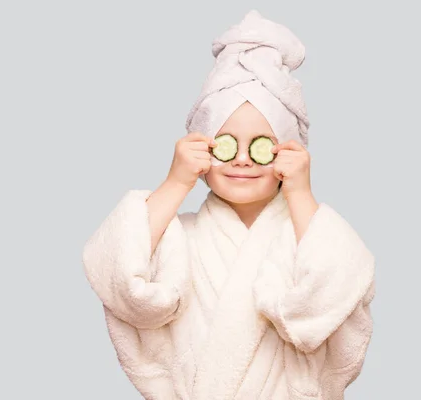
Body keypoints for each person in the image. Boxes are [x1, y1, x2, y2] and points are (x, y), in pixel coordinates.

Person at [82, 10, 375, 400]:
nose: (242, 159)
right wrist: (175, 182)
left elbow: (338, 288)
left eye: (260, 145)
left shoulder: (310, 234)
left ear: (289, 152)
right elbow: (118, 275)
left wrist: (301, 194)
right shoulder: (178, 236)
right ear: (202, 149)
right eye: (225, 143)